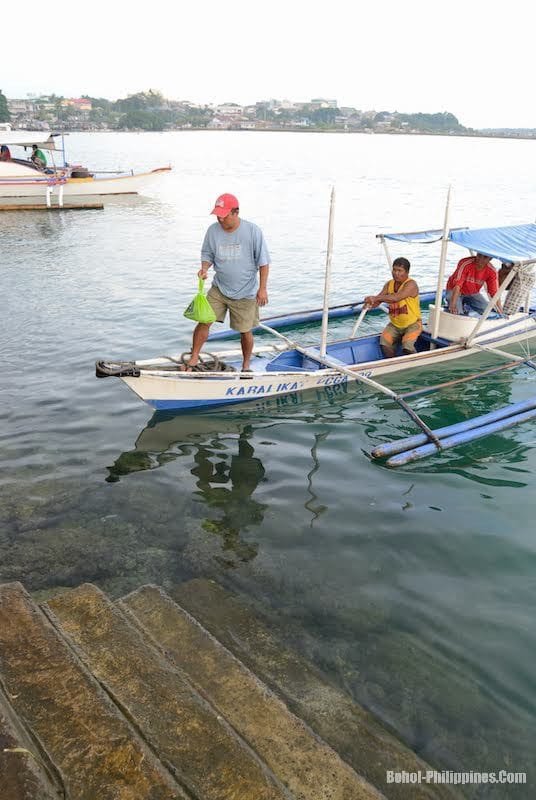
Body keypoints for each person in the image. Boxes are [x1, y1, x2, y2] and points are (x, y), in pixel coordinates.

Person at [184, 192, 270, 372]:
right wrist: (204, 268)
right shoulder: (213, 231)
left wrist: (262, 289)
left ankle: (246, 366)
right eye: (218, 215)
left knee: (245, 330)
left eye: (224, 215)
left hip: (246, 292)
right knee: (204, 321)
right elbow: (207, 254)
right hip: (219, 288)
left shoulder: (253, 231)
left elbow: (263, 262)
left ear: (235, 213)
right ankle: (193, 358)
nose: (220, 219)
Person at [364, 257, 421, 358]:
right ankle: (393, 361)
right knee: (384, 342)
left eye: (400, 271)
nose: (396, 273)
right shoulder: (389, 284)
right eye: (394, 270)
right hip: (395, 324)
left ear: (407, 272)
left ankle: (419, 362)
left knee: (407, 346)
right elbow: (378, 300)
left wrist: (375, 298)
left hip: (413, 324)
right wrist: (370, 304)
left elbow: (396, 298)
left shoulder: (411, 284)